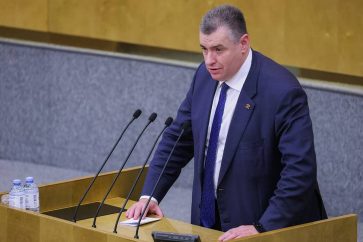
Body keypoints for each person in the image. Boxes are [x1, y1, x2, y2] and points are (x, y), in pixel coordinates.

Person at [126, 4, 327, 241]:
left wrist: (262, 227)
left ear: (243, 44)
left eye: (218, 49)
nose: (209, 60)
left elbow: (299, 170)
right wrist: (150, 196)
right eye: (204, 49)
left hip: (259, 225)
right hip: (208, 221)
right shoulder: (204, 76)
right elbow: (177, 140)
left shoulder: (282, 91)